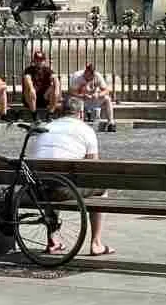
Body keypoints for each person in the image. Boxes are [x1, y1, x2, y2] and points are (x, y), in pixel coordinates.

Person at [25, 99, 112, 257]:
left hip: (36, 189)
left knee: (51, 181)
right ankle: (96, 243)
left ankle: (52, 240)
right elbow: (93, 167)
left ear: (60, 112)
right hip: (62, 189)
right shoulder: (85, 130)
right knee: (100, 188)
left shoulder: (45, 127)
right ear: (80, 113)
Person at [67, 62, 117, 132]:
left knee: (107, 99)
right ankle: (79, 124)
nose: (90, 78)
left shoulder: (97, 76)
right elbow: (71, 92)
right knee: (77, 101)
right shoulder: (77, 76)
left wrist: (98, 95)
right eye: (88, 76)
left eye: (92, 76)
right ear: (85, 72)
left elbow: (106, 90)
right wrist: (82, 96)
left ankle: (110, 122)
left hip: (93, 99)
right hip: (81, 100)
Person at [22, 50, 61, 119]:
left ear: (44, 61)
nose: (39, 61)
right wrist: (31, 89)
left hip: (44, 97)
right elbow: (27, 78)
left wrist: (57, 90)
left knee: (55, 84)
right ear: (34, 60)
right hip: (31, 98)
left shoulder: (48, 70)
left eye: (41, 60)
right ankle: (34, 114)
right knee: (29, 86)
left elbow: (55, 78)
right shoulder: (29, 70)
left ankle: (50, 113)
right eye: (37, 59)